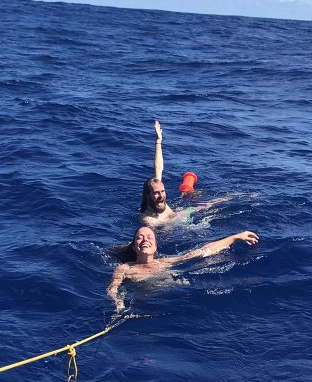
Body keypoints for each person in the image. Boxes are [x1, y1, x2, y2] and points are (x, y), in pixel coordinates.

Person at [107, 226, 259, 312]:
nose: (145, 239)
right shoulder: (124, 268)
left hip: (175, 304)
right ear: (134, 246)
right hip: (144, 307)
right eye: (140, 237)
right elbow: (113, 289)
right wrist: (119, 304)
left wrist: (235, 237)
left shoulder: (166, 263)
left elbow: (201, 252)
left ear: (156, 246)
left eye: (149, 237)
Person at [139, 120, 177, 225]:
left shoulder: (157, 190)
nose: (161, 195)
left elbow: (159, 167)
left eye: (162, 191)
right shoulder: (149, 221)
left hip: (182, 216)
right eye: (156, 193)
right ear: (147, 196)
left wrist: (158, 141)